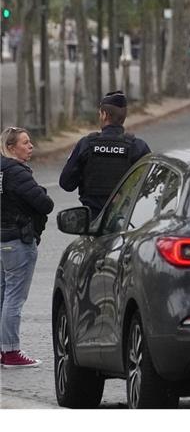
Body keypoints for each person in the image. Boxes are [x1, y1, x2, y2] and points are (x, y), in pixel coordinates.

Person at [1, 127, 54, 368]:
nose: (30, 146)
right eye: (25, 142)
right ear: (12, 148)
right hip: (17, 240)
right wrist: (42, 192)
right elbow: (44, 204)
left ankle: (3, 350)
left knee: (3, 295)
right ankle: (11, 352)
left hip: (2, 240)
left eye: (30, 141)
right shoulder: (17, 172)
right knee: (14, 297)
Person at [59, 91, 151, 216]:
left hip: (92, 222)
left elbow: (66, 183)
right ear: (123, 117)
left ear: (104, 115)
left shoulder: (86, 144)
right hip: (126, 221)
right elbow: (148, 187)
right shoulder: (138, 147)